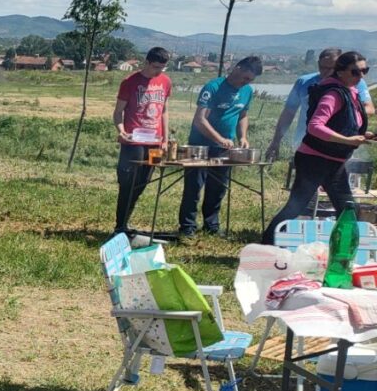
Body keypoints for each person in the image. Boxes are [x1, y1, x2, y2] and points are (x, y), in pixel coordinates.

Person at [262, 52, 373, 244]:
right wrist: (347, 140)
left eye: (365, 71)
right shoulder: (333, 94)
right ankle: (266, 244)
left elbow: (346, 122)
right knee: (296, 207)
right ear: (340, 72)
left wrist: (363, 135)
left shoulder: (351, 93)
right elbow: (315, 126)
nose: (361, 76)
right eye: (355, 71)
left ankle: (345, 251)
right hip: (314, 160)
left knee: (348, 209)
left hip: (334, 162)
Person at [179, 56, 261, 239]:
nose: (245, 82)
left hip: (224, 149)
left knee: (218, 188)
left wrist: (243, 137)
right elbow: (200, 120)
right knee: (194, 188)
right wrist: (219, 138)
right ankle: (187, 227)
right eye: (245, 78)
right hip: (199, 146)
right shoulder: (213, 87)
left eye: (250, 80)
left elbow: (243, 115)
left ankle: (211, 225)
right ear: (237, 68)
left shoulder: (247, 91)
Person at [267, 47, 375, 164]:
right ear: (318, 64)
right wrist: (275, 141)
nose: (327, 72)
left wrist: (347, 120)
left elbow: (369, 109)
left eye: (331, 68)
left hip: (341, 145)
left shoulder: (355, 81)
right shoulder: (304, 82)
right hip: (307, 144)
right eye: (323, 67)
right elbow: (289, 113)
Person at [112, 47, 172, 236]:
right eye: (156, 67)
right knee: (129, 183)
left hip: (155, 143)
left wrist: (166, 139)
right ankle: (119, 226)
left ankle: (126, 223)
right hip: (134, 142)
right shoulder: (129, 82)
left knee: (144, 182)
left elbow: (164, 110)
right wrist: (121, 131)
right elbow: (118, 112)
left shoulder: (165, 81)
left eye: (162, 68)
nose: (159, 71)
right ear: (146, 62)